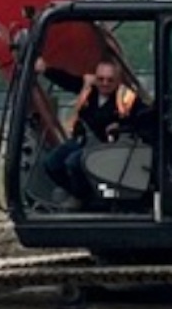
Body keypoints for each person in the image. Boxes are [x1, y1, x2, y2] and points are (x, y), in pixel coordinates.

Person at [37, 55, 152, 203]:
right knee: (51, 163)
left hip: (108, 147)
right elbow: (67, 81)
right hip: (83, 140)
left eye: (110, 80)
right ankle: (79, 194)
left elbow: (145, 120)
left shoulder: (127, 98)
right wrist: (46, 69)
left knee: (73, 163)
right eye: (101, 79)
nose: (104, 83)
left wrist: (122, 127)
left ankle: (91, 201)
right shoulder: (88, 89)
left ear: (118, 80)